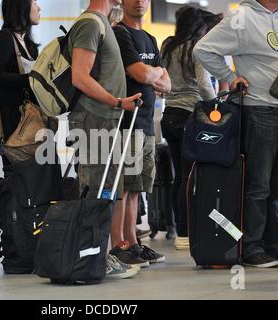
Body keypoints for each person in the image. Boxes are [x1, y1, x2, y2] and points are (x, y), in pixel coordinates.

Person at [194, 0, 278, 268]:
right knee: (259, 185)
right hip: (260, 109)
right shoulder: (241, 16)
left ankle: (275, 242)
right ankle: (251, 246)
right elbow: (203, 49)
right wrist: (230, 77)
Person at [67, 0, 142, 279]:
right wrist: (117, 101)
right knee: (95, 189)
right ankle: (89, 258)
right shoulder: (90, 24)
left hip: (106, 120)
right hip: (94, 119)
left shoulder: (102, 23)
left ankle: (99, 255)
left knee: (107, 188)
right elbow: (79, 77)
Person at [110, 0, 170, 268]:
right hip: (124, 121)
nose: (140, 2)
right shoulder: (119, 32)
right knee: (121, 187)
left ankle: (133, 242)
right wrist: (152, 74)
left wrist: (152, 75)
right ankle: (118, 245)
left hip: (145, 123)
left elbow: (166, 83)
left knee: (136, 189)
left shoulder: (148, 38)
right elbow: (138, 72)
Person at [160, 6, 217, 251]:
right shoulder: (197, 48)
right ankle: (186, 231)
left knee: (178, 176)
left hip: (169, 114)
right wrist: (216, 104)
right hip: (189, 116)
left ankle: (178, 228)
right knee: (189, 176)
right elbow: (204, 85)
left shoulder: (168, 46)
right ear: (198, 26)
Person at [0, 0, 41, 178]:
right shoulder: (3, 37)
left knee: (37, 183)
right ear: (22, 7)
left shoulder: (30, 44)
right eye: (35, 3)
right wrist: (33, 80)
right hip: (13, 127)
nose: (39, 8)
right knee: (18, 183)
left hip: (34, 126)